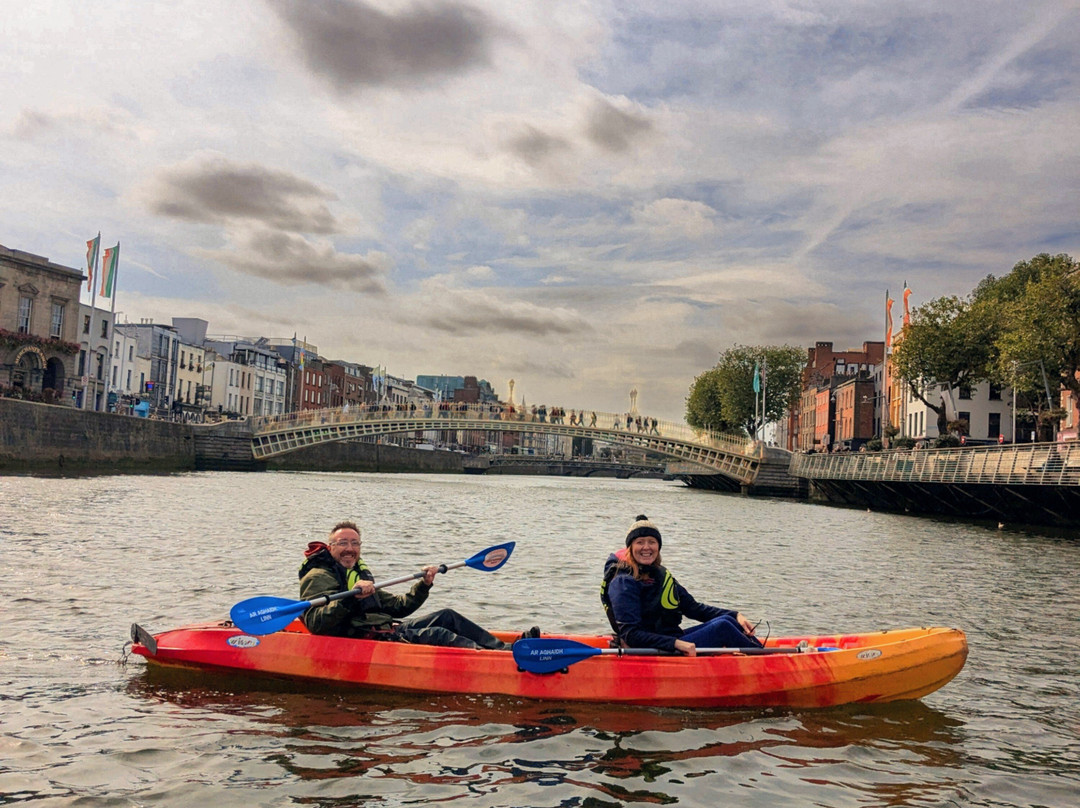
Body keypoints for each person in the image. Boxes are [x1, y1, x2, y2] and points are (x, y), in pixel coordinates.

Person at [299, 521, 538, 649]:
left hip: (386, 630)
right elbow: (316, 624)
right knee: (438, 634)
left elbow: (400, 607)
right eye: (342, 543)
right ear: (331, 548)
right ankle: (503, 659)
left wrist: (424, 585)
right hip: (362, 640)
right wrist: (352, 599)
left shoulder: (357, 574)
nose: (349, 548)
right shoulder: (318, 576)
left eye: (354, 543)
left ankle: (506, 648)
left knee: (447, 616)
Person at [600, 514, 762, 655]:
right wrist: (676, 644)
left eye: (652, 542)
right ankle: (765, 661)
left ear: (658, 547)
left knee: (728, 620)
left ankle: (762, 654)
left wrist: (736, 615)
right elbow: (631, 634)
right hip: (649, 648)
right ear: (630, 548)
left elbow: (694, 609)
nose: (646, 547)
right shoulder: (623, 582)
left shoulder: (659, 575)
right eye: (640, 542)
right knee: (722, 628)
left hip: (670, 641)